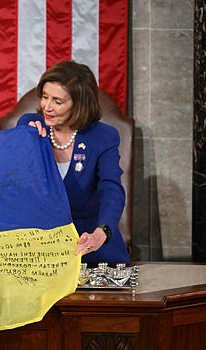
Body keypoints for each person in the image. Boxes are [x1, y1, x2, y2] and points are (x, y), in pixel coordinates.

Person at [16, 60, 130, 265]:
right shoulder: (29, 126)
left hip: (88, 243)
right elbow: (14, 181)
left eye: (58, 101)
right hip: (40, 247)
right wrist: (26, 139)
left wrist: (100, 232)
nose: (47, 107)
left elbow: (111, 189)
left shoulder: (102, 136)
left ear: (79, 105)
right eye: (45, 97)